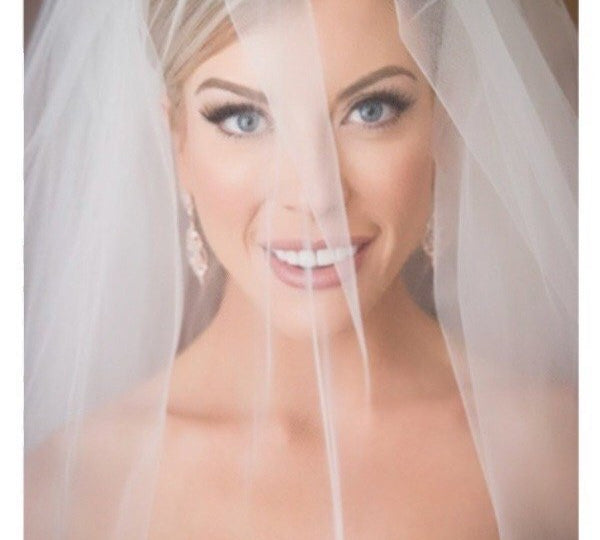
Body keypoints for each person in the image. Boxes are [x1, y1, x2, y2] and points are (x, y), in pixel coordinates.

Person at [24, 1, 578, 539]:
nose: (315, 195)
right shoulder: (63, 494)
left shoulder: (562, 456)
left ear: (442, 126)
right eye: (245, 120)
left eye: (371, 111)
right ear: (176, 142)